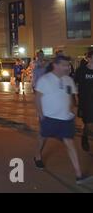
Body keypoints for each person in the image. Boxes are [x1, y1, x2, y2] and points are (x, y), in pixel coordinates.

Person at [34, 55, 92, 184]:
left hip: (65, 119)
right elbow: (37, 98)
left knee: (70, 144)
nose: (67, 67)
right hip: (49, 117)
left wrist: (74, 111)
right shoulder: (45, 80)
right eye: (65, 65)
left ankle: (78, 175)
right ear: (56, 65)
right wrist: (41, 114)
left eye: (68, 65)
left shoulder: (68, 80)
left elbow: (72, 97)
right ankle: (37, 155)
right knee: (42, 138)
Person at [74, 51, 93, 152]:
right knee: (88, 123)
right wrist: (76, 98)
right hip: (85, 102)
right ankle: (84, 137)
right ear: (89, 59)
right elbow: (75, 84)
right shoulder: (81, 70)